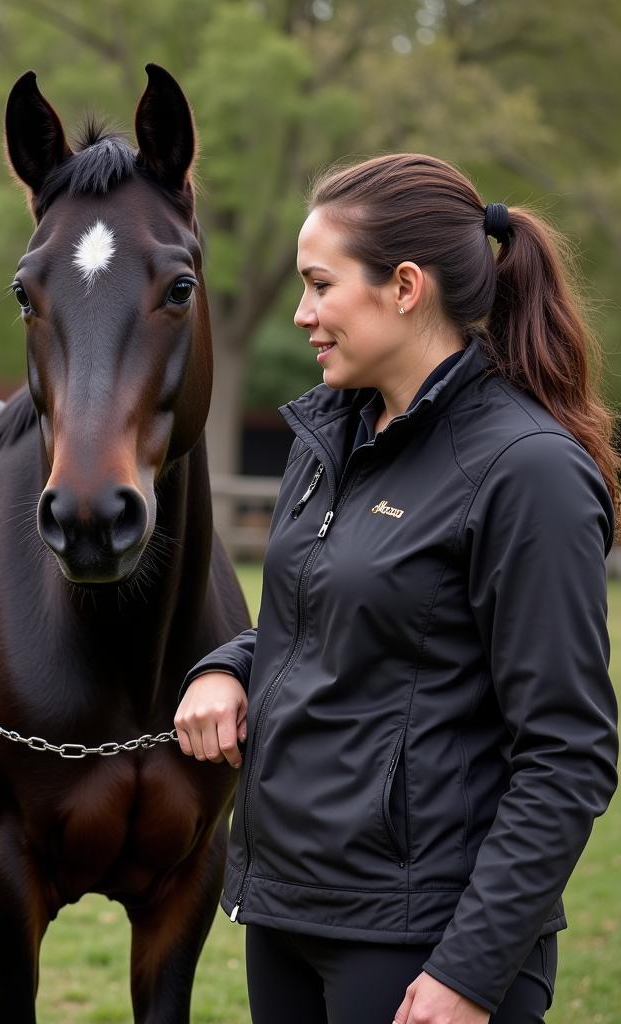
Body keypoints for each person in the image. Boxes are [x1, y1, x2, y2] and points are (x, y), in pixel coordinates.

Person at [175, 153, 619, 1024]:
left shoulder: (525, 472)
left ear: (405, 286)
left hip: (426, 940)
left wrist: (471, 970)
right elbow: (320, 627)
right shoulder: (327, 436)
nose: (301, 314)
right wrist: (225, 667)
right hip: (290, 910)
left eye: (319, 285)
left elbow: (568, 752)